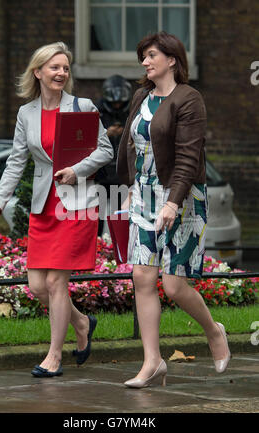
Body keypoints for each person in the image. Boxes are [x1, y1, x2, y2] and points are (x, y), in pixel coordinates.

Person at [0, 42, 113, 378]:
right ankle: (82, 322)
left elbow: (105, 150)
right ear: (38, 72)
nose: (61, 73)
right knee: (38, 286)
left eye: (65, 68)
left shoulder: (82, 106)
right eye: (54, 67)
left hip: (77, 205)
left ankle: (54, 356)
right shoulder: (26, 113)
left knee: (57, 281)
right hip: (44, 206)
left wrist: (77, 170)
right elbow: (15, 162)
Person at [117, 31, 231, 388]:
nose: (145, 62)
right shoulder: (141, 96)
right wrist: (130, 187)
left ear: (171, 59)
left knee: (175, 284)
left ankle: (214, 331)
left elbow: (188, 156)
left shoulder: (189, 99)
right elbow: (133, 146)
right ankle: (153, 362)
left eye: (151, 55)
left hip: (182, 198)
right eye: (143, 57)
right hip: (144, 197)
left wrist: (171, 200)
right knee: (142, 278)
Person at [95, 75, 132, 235]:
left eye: (120, 103)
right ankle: (96, 248)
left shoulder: (131, 112)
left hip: (121, 173)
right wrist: (106, 134)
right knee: (96, 216)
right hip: (100, 173)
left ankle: (119, 249)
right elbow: (85, 139)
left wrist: (126, 134)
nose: (117, 105)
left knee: (120, 216)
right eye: (114, 103)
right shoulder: (96, 111)